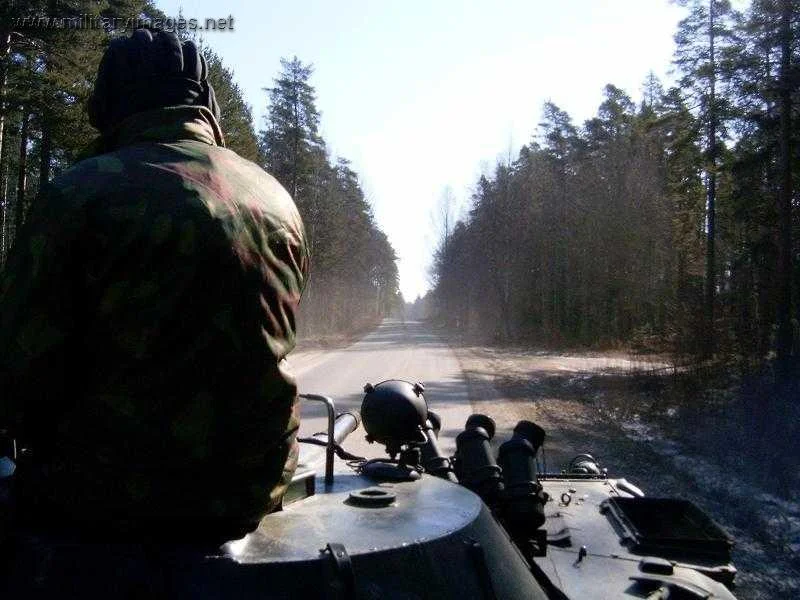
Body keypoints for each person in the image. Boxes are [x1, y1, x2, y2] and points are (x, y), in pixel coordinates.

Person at [0, 29, 309, 539]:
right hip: (252, 490)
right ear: (206, 104)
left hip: (105, 497)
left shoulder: (79, 193)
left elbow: (18, 364)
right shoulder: (273, 197)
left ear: (107, 104)